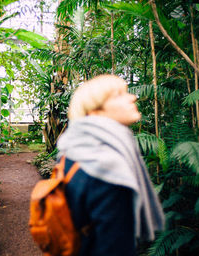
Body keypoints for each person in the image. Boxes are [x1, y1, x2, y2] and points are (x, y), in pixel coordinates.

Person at [57, 74, 165, 255]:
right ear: (94, 112)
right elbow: (114, 244)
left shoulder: (73, 150)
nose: (133, 97)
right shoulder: (107, 165)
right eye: (119, 95)